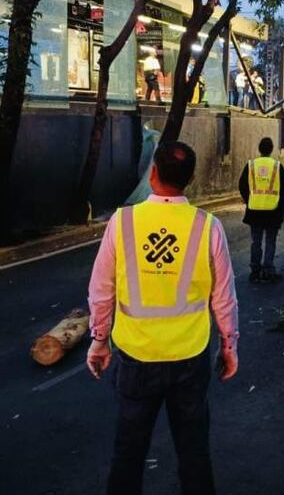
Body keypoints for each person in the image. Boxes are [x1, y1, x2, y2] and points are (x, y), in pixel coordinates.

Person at [86, 142, 239, 495]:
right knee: (194, 453)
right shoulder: (207, 226)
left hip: (137, 357)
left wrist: (98, 339)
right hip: (189, 358)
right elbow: (224, 296)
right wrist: (228, 345)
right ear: (190, 179)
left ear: (152, 173)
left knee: (128, 455)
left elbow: (102, 289)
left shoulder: (123, 222)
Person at [238, 137, 284, 283]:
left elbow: (242, 185)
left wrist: (250, 200)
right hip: (273, 211)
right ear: (271, 149)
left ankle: (254, 270)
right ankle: (268, 270)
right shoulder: (277, 166)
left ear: (259, 149)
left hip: (254, 210)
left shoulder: (251, 165)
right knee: (270, 241)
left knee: (256, 241)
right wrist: (283, 209)